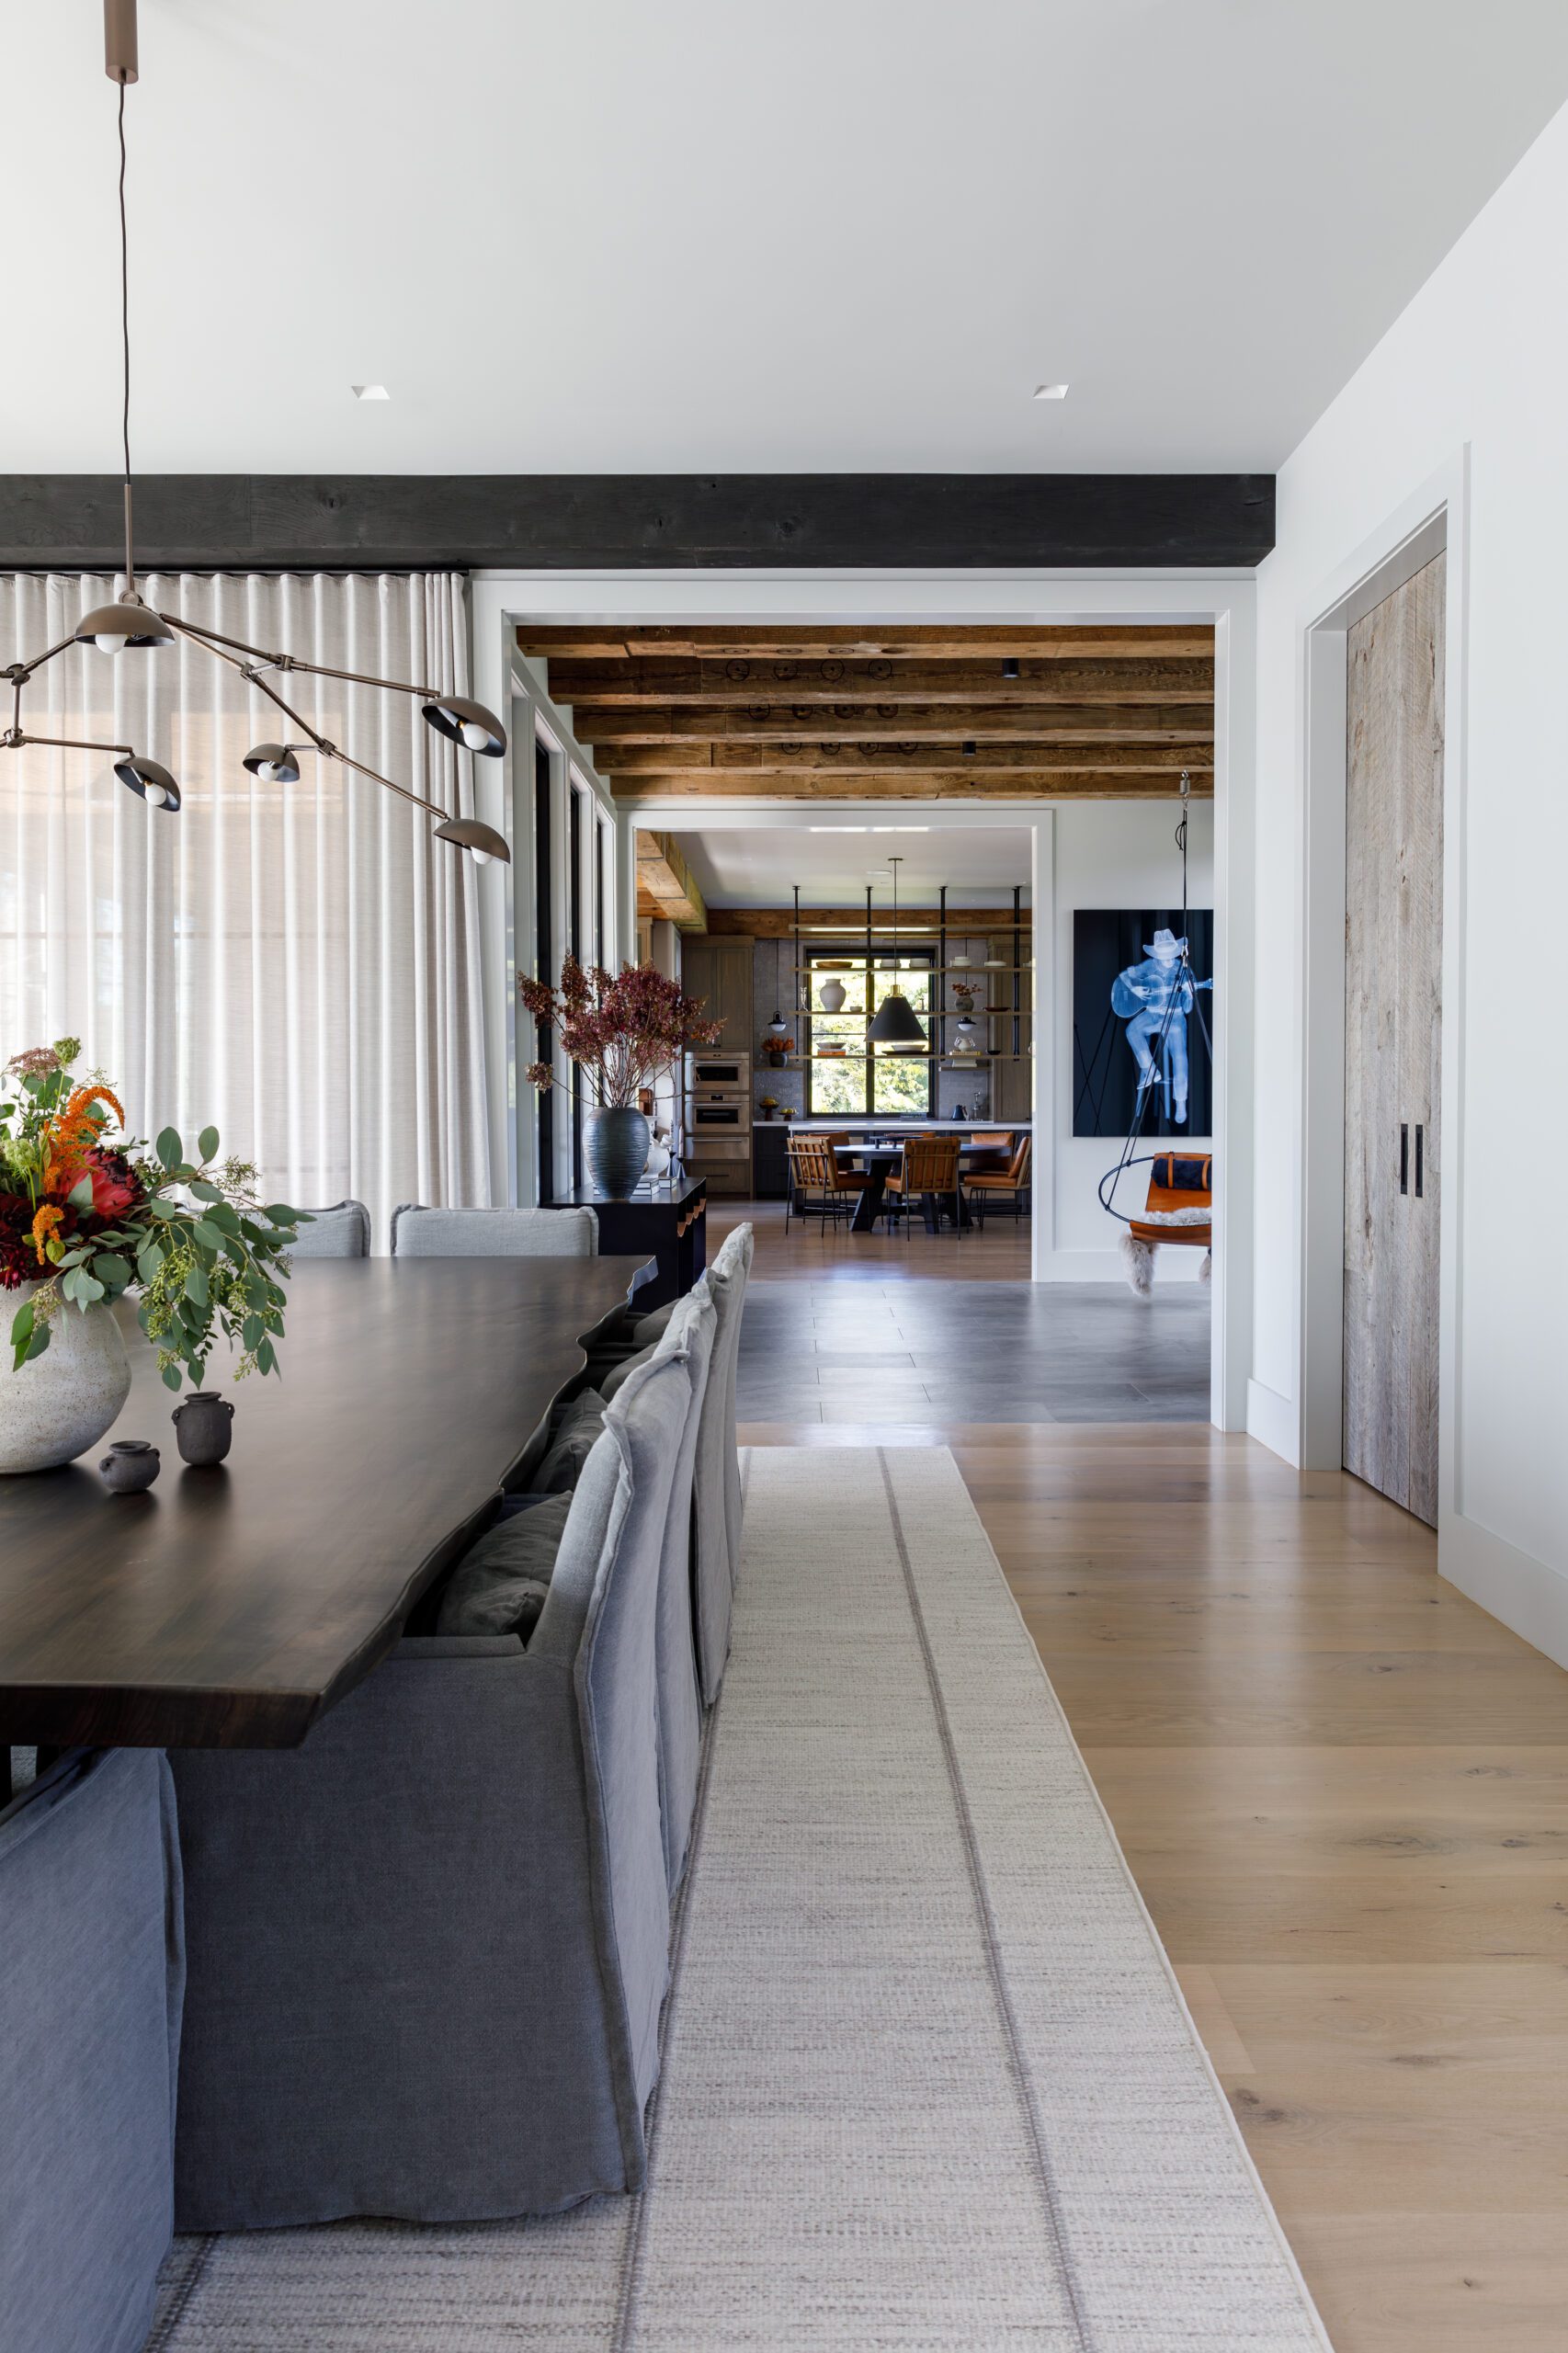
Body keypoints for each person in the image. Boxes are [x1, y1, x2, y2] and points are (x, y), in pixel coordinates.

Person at [1111, 928, 1212, 1125]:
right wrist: (1135, 988)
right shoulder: (1149, 966)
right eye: (1162, 953)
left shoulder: (1182, 969)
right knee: (1132, 1030)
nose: (1166, 957)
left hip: (1174, 1019)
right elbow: (1125, 975)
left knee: (1180, 1058)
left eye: (1169, 952)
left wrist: (1189, 995)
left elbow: (1188, 1007)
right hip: (1152, 1015)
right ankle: (1149, 1068)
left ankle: (1181, 1102)